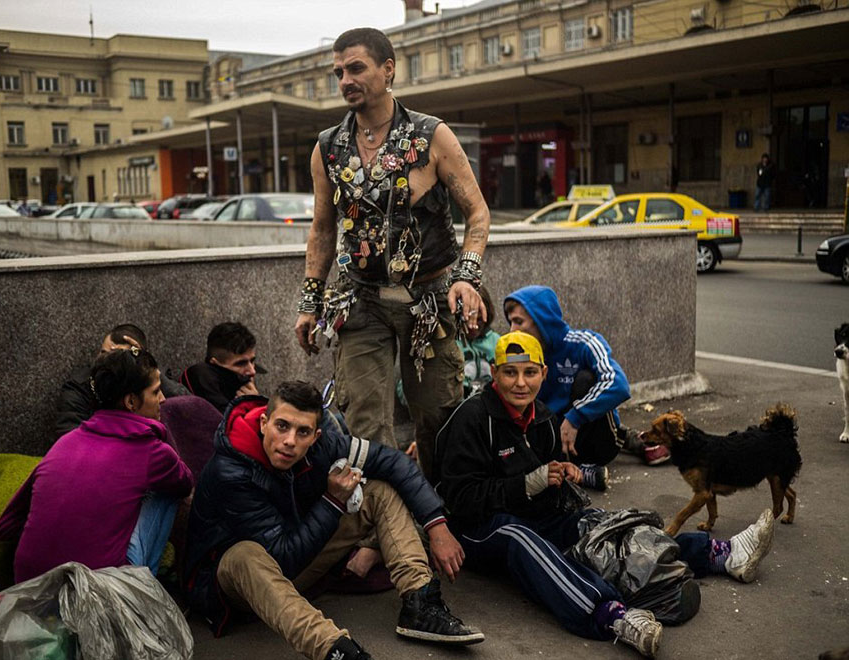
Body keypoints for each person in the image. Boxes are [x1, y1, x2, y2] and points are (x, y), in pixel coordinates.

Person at [435, 332, 776, 658]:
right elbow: (460, 497)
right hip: (474, 531)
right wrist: (526, 484)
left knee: (604, 525)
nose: (520, 383)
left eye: (529, 372)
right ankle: (610, 615)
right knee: (518, 536)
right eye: (509, 373)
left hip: (532, 512)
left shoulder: (544, 418)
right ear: (494, 374)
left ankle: (719, 554)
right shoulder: (473, 417)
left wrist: (561, 478)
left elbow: (546, 485)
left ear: (543, 373)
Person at [293, 27, 491, 480]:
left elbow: (477, 213)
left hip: (430, 299)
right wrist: (310, 303)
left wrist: (467, 276)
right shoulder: (328, 147)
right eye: (339, 72)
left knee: (438, 413)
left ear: (388, 69)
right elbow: (323, 230)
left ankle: (443, 511)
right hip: (359, 299)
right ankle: (383, 525)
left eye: (356, 68)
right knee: (363, 419)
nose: (345, 79)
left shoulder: (431, 135)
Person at [184, 380, 484, 660]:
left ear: (316, 436)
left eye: (302, 432)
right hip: (232, 588)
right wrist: (333, 501)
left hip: (295, 558)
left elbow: (394, 462)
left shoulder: (322, 445)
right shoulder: (231, 472)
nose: (289, 441)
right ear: (264, 423)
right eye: (282, 426)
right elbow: (282, 559)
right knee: (244, 554)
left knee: (378, 492)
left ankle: (421, 605)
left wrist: (436, 525)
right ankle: (334, 650)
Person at [0, 347, 194, 583]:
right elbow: (185, 482)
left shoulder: (64, 444)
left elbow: (6, 526)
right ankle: (146, 592)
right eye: (155, 391)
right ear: (131, 401)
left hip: (29, 587)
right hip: (98, 592)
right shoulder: (151, 451)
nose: (163, 399)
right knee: (168, 490)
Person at [504, 285, 670, 474]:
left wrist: (575, 418)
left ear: (542, 320)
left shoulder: (584, 343)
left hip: (591, 439)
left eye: (518, 322)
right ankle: (584, 470)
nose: (512, 331)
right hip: (550, 440)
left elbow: (618, 384)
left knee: (585, 379)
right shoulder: (519, 352)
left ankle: (619, 439)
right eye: (510, 323)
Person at [54, 323, 187, 441]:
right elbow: (69, 438)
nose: (106, 361)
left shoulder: (150, 380)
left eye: (117, 357)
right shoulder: (80, 386)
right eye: (103, 353)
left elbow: (189, 408)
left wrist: (148, 370)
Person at [180, 321, 264, 413]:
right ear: (215, 364)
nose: (252, 371)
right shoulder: (202, 377)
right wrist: (253, 407)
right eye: (240, 363)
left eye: (252, 361)